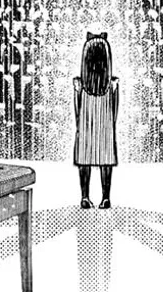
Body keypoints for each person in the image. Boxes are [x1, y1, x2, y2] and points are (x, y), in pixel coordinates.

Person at [73, 32, 119, 209]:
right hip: (106, 128)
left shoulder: (79, 84)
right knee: (105, 162)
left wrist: (82, 124)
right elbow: (115, 111)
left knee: (84, 162)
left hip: (85, 127)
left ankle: (85, 197)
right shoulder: (113, 84)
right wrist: (108, 125)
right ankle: (105, 198)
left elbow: (76, 110)